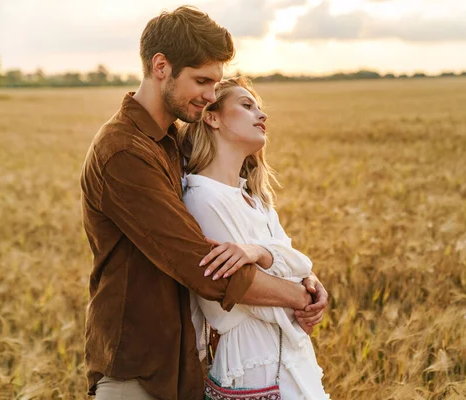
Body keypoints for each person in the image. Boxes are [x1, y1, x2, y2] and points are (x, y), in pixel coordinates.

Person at [80, 6, 328, 400]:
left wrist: (297, 275)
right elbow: (204, 266)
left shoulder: (172, 143)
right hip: (137, 369)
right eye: (201, 81)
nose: (211, 96)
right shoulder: (123, 152)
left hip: (186, 363)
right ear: (161, 66)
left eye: (215, 83)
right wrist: (301, 296)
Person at [178, 77, 330, 399]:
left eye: (259, 108)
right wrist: (302, 297)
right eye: (247, 106)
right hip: (250, 366)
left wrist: (265, 256)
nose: (262, 116)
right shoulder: (203, 198)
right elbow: (239, 298)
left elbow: (299, 267)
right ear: (213, 117)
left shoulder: (255, 198)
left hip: (293, 359)